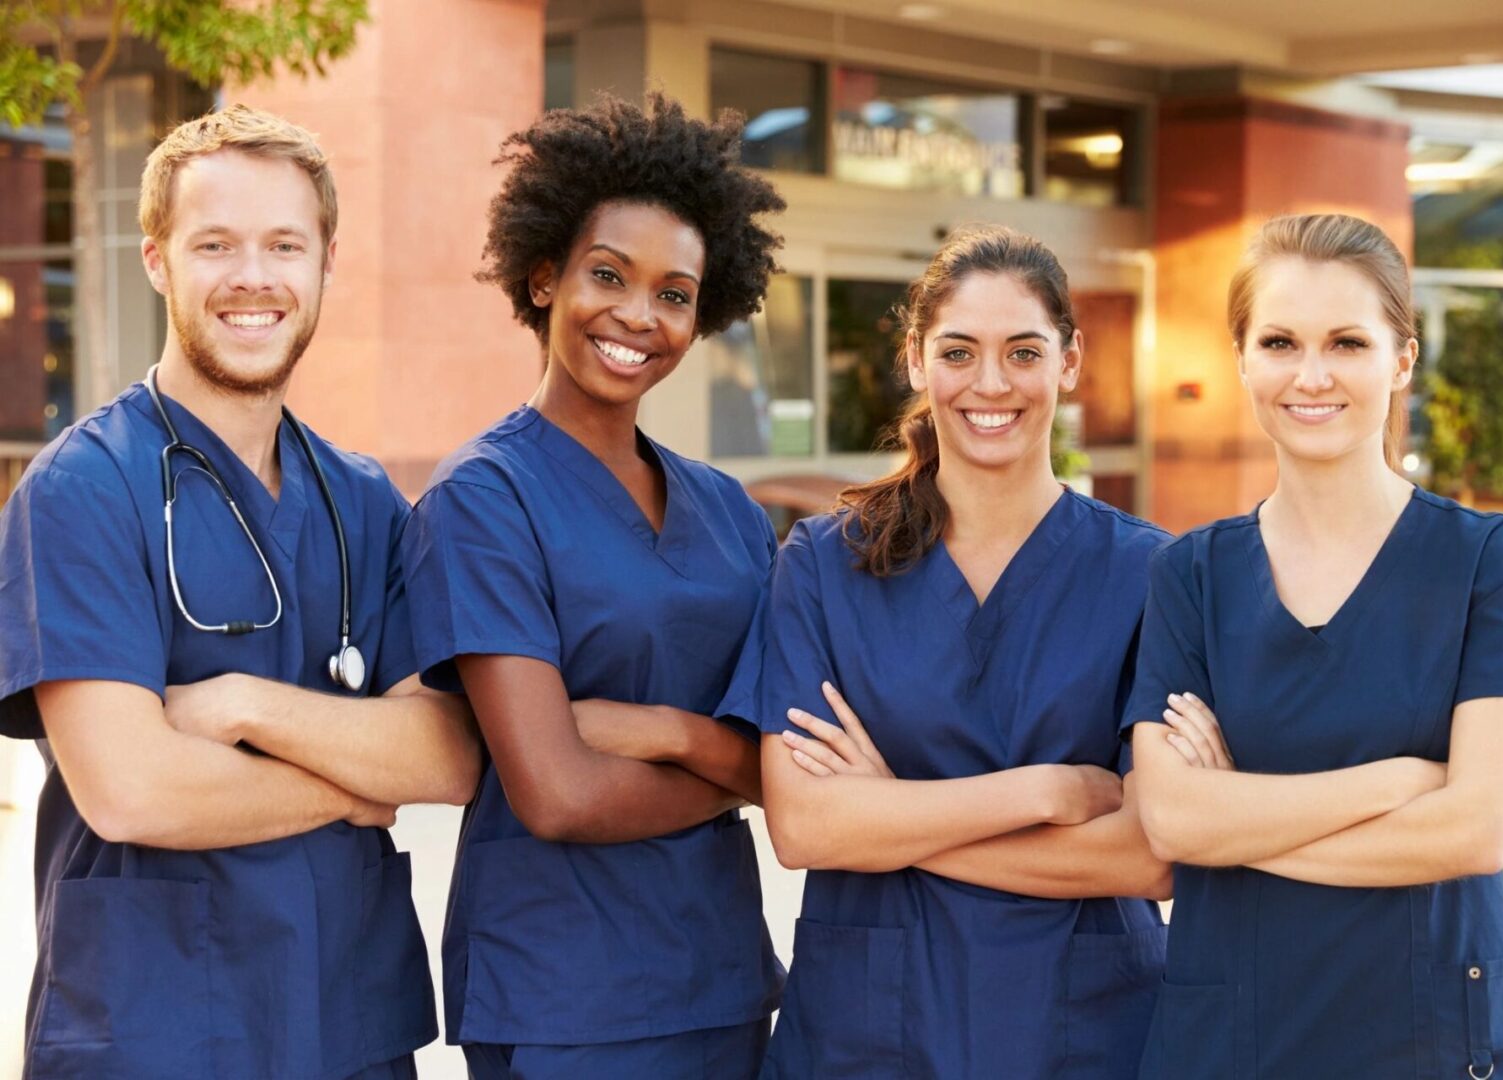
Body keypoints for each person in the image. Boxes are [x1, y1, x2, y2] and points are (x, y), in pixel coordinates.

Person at [0, 104, 481, 1079]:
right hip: (157, 1028)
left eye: (284, 245)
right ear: (157, 260)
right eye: (215, 244)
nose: (253, 277)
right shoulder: (82, 489)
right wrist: (354, 783)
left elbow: (448, 754)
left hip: (347, 1026)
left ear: (326, 264)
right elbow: (133, 790)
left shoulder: (364, 500)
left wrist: (241, 705)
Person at [1125, 213, 1503, 1080]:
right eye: (1281, 342)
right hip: (1239, 1031)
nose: (1312, 375)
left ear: (1401, 359)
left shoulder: (1481, 560)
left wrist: (1236, 825)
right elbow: (1171, 816)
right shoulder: (1190, 574)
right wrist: (1396, 785)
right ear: (1243, 357)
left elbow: (1477, 831)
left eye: (1348, 342)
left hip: (1436, 1029)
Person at [726, 225, 1172, 1078]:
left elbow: (1147, 855)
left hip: (1082, 1035)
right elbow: (806, 824)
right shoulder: (823, 565)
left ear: (1070, 362)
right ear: (916, 360)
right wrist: (1044, 790)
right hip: (872, 1034)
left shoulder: (1150, 573)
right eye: (959, 351)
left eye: (1024, 351)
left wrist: (891, 817)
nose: (991, 383)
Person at [400, 94, 787, 1079]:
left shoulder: (731, 513)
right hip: (564, 998)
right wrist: (730, 767)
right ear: (543, 277)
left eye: (675, 293)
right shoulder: (483, 500)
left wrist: (665, 732)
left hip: (725, 981)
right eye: (608, 275)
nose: (637, 315)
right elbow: (558, 794)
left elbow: (784, 768)